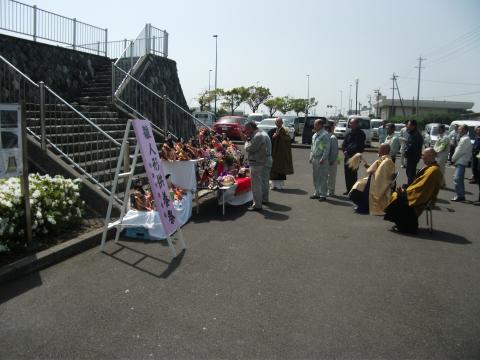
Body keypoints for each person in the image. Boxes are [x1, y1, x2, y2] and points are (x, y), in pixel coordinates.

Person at [384, 148, 443, 233]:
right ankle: (400, 222)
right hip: (419, 193)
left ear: (430, 156)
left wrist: (405, 193)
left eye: (423, 155)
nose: (422, 157)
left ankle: (406, 226)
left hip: (423, 197)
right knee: (397, 195)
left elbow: (422, 188)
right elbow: (419, 184)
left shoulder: (433, 170)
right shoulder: (431, 168)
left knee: (399, 199)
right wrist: (405, 189)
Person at [349, 144, 396, 215]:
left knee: (359, 186)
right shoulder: (383, 159)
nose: (378, 150)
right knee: (358, 184)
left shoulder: (387, 161)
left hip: (379, 184)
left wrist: (371, 171)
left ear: (384, 150)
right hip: (374, 180)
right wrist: (370, 167)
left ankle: (366, 205)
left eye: (379, 149)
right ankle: (363, 204)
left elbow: (380, 175)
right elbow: (378, 169)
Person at [243, 121, 267, 211]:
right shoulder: (257, 135)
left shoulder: (257, 136)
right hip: (257, 162)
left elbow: (250, 148)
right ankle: (257, 203)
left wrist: (246, 143)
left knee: (256, 185)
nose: (246, 132)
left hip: (256, 163)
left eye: (246, 130)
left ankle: (257, 205)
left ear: (250, 128)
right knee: (256, 184)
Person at [341, 118, 365, 194]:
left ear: (356, 124)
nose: (350, 124)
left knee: (353, 174)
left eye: (352, 123)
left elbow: (358, 146)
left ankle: (353, 191)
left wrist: (349, 151)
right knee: (347, 174)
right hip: (347, 156)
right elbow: (344, 144)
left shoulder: (361, 134)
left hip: (355, 157)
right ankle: (348, 189)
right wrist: (344, 150)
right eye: (350, 123)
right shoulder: (349, 133)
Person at [269, 117, 294, 190]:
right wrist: (273, 137)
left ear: (282, 123)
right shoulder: (272, 131)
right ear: (275, 123)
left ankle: (280, 185)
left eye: (280, 122)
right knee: (273, 170)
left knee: (281, 170)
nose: (278, 124)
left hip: (282, 154)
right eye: (277, 122)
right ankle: (273, 185)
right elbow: (268, 140)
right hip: (273, 153)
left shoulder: (285, 131)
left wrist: (281, 136)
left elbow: (289, 140)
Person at [309, 118, 331, 201]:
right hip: (315, 158)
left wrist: (323, 158)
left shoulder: (324, 135)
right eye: (314, 124)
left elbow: (326, 148)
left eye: (316, 124)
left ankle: (323, 195)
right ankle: (316, 192)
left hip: (321, 159)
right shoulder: (315, 135)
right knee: (315, 177)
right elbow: (312, 147)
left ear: (321, 125)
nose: (314, 126)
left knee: (322, 177)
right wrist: (310, 156)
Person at [451, 124, 473, 202]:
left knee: (457, 178)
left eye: (460, 129)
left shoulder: (465, 139)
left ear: (465, 130)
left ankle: (460, 195)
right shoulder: (463, 138)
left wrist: (453, 159)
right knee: (459, 179)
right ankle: (461, 195)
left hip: (461, 161)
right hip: (460, 161)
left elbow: (459, 151)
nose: (458, 130)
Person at [404, 119, 423, 185]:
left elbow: (412, 147)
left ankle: (410, 187)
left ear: (413, 126)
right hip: (411, 156)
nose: (407, 126)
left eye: (408, 125)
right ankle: (410, 185)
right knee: (409, 172)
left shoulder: (416, 135)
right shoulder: (412, 133)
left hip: (413, 157)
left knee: (410, 173)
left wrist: (406, 151)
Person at [326, 121, 339, 197]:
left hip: (332, 160)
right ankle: (327, 190)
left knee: (331, 176)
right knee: (327, 176)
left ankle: (331, 191)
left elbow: (335, 151)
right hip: (326, 159)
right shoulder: (326, 136)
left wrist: (332, 160)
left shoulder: (332, 137)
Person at [261, 130, 272, 204]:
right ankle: (264, 198)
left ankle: (264, 199)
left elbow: (262, 150)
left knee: (264, 181)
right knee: (264, 180)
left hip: (265, 159)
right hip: (267, 159)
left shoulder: (262, 136)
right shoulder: (263, 135)